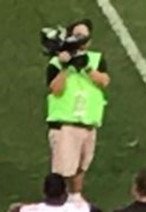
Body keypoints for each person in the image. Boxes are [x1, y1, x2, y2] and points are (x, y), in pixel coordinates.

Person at [45, 21, 110, 195]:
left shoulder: (96, 59)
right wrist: (68, 68)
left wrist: (86, 67)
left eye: (84, 35)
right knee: (64, 171)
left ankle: (76, 201)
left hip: (88, 123)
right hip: (66, 124)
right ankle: (59, 203)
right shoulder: (56, 62)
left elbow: (104, 81)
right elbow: (56, 89)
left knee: (81, 168)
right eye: (77, 34)